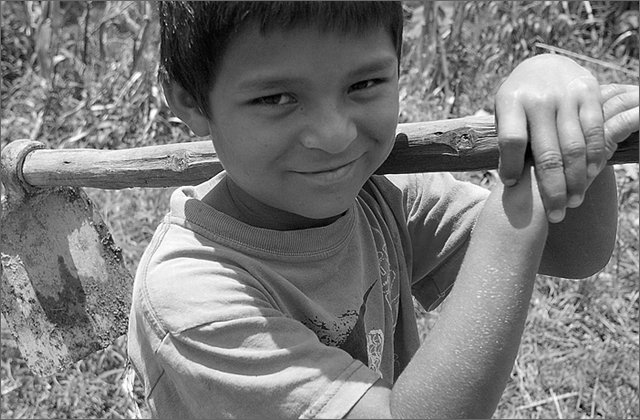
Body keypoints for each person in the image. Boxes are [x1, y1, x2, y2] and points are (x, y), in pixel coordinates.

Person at [126, 2, 639, 418]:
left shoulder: (378, 192)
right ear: (190, 100)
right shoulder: (193, 300)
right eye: (277, 97)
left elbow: (574, 252)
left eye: (364, 85)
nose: (335, 136)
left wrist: (561, 106)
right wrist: (517, 207)